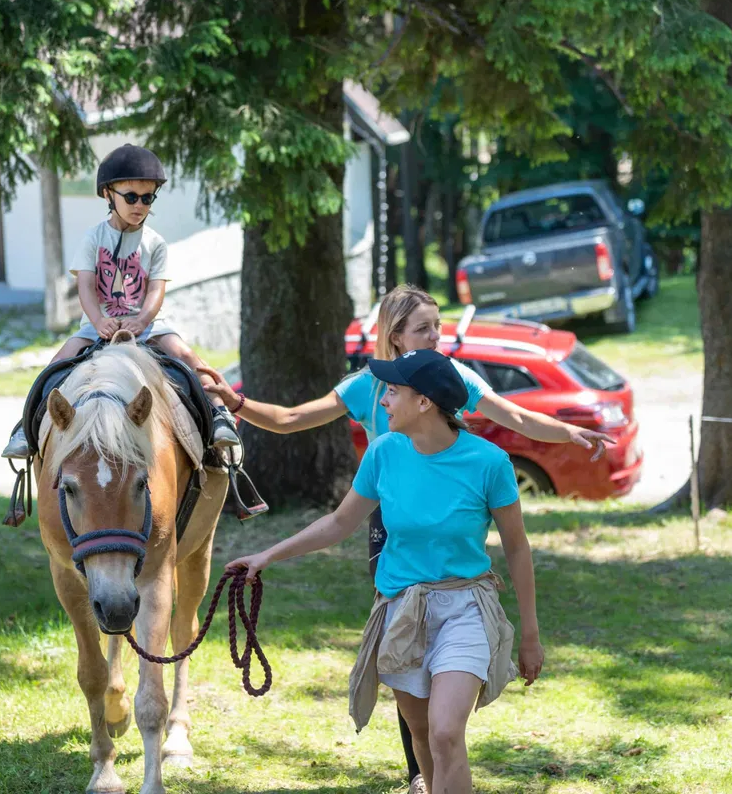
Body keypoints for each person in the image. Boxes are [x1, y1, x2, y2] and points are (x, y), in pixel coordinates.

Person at [198, 284, 613, 793]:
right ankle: (423, 774)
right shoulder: (372, 402)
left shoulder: (458, 401)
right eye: (424, 328)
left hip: (457, 564)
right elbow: (296, 432)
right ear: (395, 335)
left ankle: (434, 762)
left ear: (425, 400)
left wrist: (568, 432)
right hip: (390, 526)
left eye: (438, 326)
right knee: (420, 721)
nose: (436, 336)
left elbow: (519, 422)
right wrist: (236, 405)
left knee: (443, 731)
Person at [226, 349, 543, 794]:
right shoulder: (384, 453)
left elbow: (516, 545)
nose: (382, 402)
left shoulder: (489, 463)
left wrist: (529, 634)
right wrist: (267, 556)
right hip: (402, 609)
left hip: (466, 607)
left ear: (424, 403)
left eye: (392, 392)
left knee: (447, 732)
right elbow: (339, 523)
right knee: (423, 738)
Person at [1, 144, 239, 458]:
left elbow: (156, 289)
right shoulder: (93, 238)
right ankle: (25, 429)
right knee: (54, 366)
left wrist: (142, 320)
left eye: (147, 197)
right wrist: (98, 320)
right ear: (107, 195)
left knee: (189, 357)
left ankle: (220, 418)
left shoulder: (155, 243)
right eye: (130, 197)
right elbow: (85, 285)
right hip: (96, 326)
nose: (139, 205)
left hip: (149, 326)